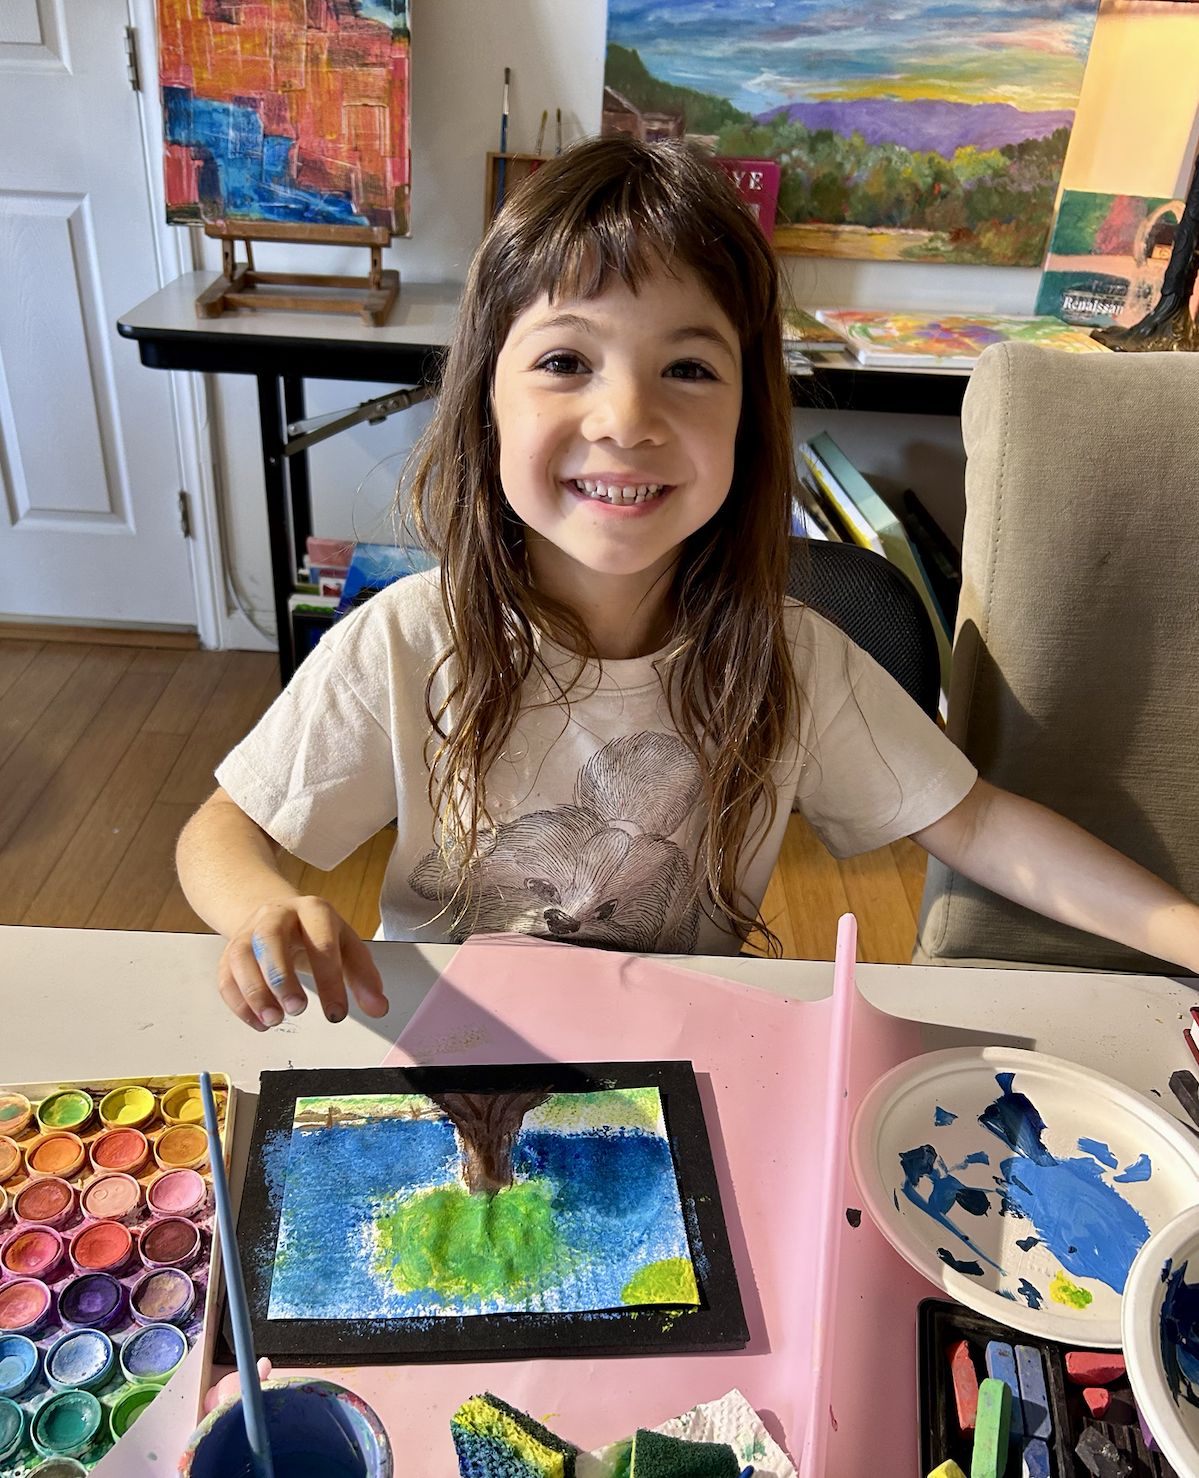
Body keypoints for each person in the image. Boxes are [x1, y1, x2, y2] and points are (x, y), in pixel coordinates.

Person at [176, 138, 1199, 1031]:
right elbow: (225, 831)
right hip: (456, 1039)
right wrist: (261, 908)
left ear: (750, 420)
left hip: (692, 1056)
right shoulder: (404, 639)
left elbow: (974, 824)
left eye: (690, 369)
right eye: (567, 360)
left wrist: (1186, 935)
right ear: (484, 399)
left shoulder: (791, 657)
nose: (625, 416)